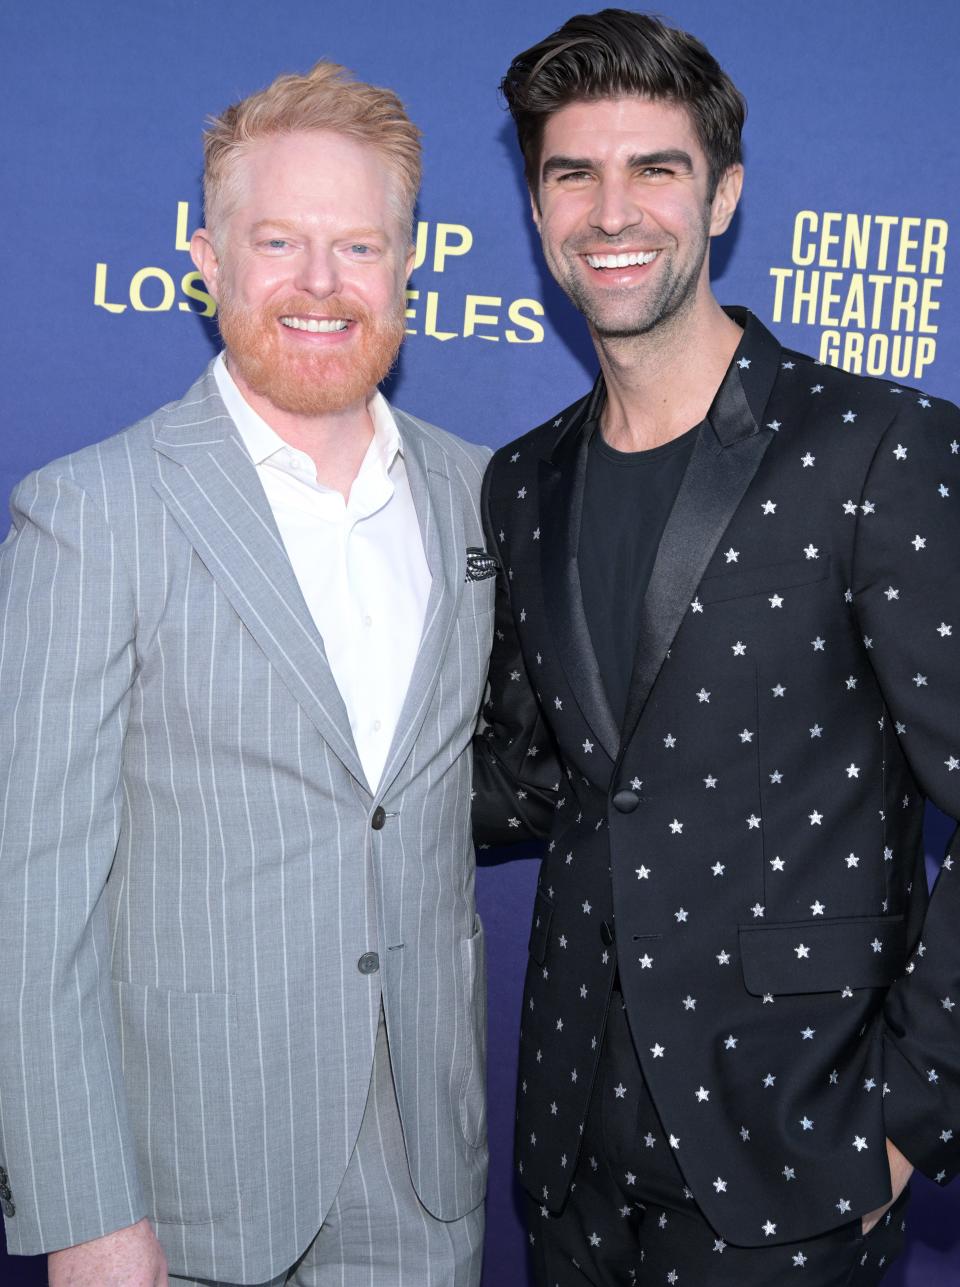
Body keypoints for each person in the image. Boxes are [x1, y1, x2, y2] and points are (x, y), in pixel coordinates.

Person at [473, 10, 960, 1284]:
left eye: (657, 169)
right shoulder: (525, 481)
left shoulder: (874, 448)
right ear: (535, 208)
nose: (610, 210)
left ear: (725, 194)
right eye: (572, 173)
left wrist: (907, 1123)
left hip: (796, 1148)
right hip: (567, 1145)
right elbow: (527, 778)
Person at [0, 61, 492, 1287]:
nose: (321, 285)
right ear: (208, 260)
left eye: (359, 247)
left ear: (408, 268)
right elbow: (29, 900)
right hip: (182, 1200)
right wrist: (81, 1211)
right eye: (277, 241)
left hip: (429, 1190)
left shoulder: (486, 495)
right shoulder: (91, 513)